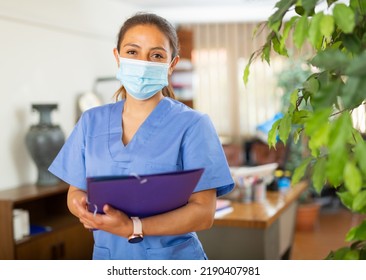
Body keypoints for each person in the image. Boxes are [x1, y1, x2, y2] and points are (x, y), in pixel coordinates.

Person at [48, 12, 234, 260]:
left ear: (172, 64)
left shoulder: (193, 125)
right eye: (133, 52)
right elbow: (76, 192)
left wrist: (132, 227)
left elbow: (204, 213)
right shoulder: (91, 121)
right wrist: (80, 208)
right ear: (117, 57)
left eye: (156, 55)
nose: (143, 63)